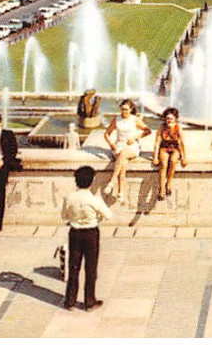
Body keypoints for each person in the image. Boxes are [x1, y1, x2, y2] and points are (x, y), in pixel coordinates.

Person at [62, 165, 111, 310]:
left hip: (75, 233)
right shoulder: (94, 199)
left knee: (73, 267)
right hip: (90, 233)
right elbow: (109, 215)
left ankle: (70, 300)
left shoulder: (69, 197)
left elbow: (64, 216)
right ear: (91, 181)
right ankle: (89, 301)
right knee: (91, 268)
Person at [103, 99, 151, 204]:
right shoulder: (116, 119)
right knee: (123, 163)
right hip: (119, 146)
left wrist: (135, 137)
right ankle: (120, 193)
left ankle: (111, 182)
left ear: (131, 109)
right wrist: (111, 144)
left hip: (132, 146)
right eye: (122, 109)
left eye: (126, 109)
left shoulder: (135, 119)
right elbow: (106, 134)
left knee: (123, 155)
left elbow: (148, 131)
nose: (124, 112)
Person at [154, 107, 187, 200]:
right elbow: (157, 143)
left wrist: (184, 158)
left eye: (171, 118)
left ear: (175, 118)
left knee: (173, 161)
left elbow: (182, 143)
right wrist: (155, 157)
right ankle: (162, 189)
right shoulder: (162, 127)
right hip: (164, 148)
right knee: (163, 164)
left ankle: (168, 182)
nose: (169, 120)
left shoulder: (178, 128)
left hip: (175, 149)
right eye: (167, 118)